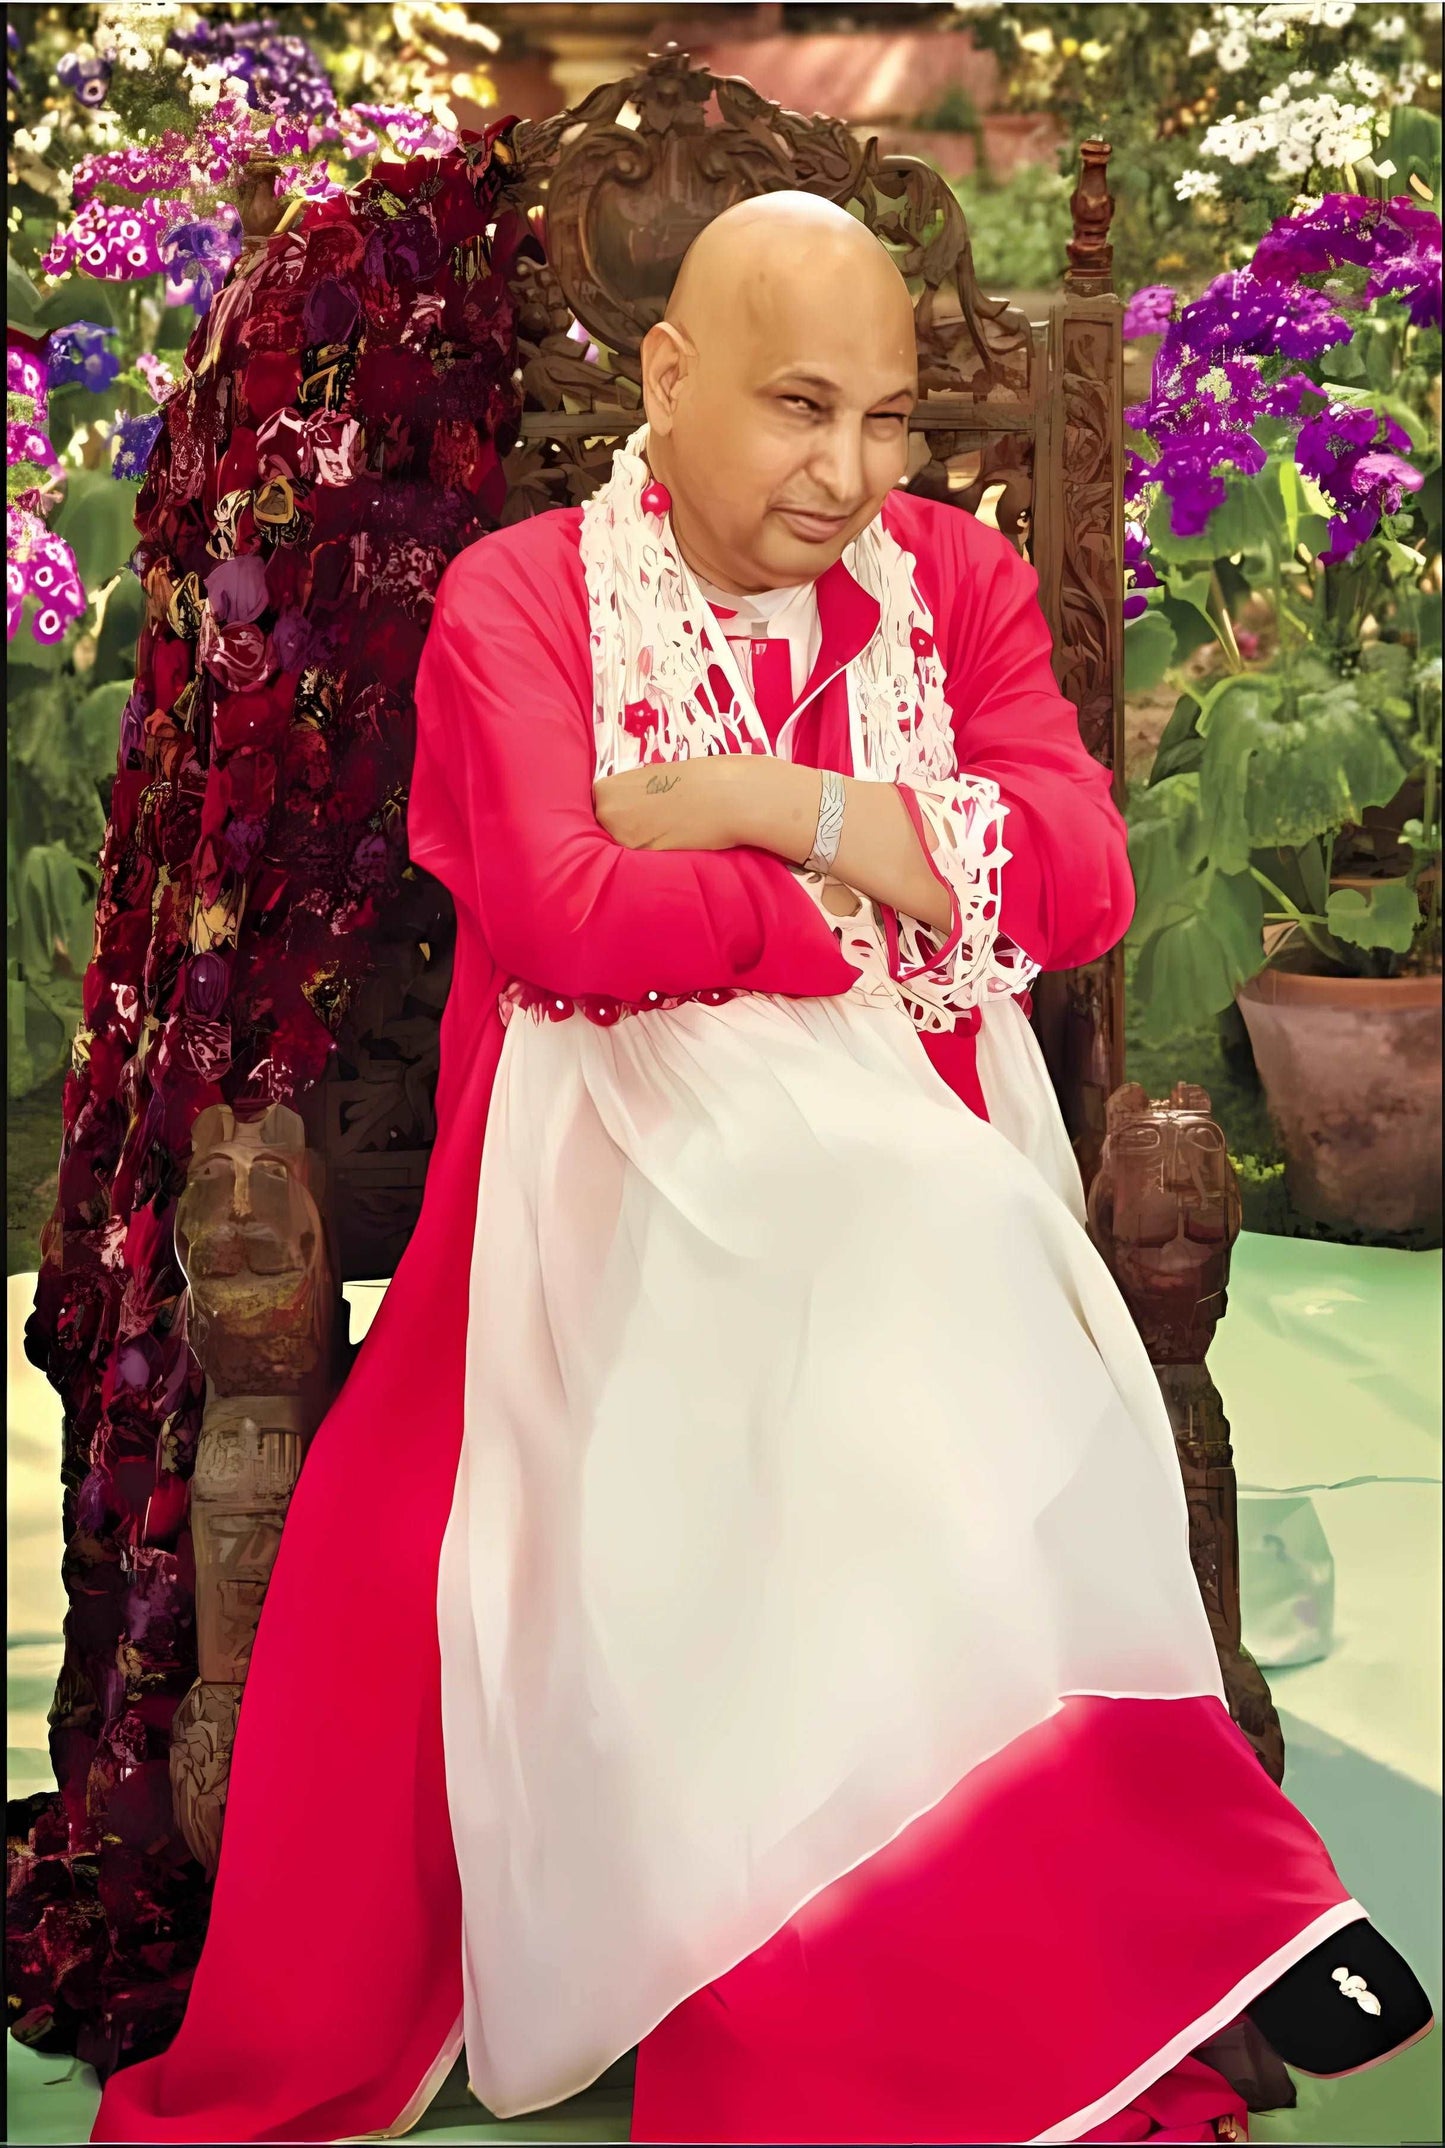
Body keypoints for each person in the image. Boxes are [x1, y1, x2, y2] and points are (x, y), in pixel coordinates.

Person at [90, 192, 1432, 2147]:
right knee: (862, 1306)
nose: (849, 471)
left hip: (924, 1131)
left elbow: (1076, 878)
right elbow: (557, 917)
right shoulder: (525, 598)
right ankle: (1162, 1910)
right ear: (669, 376)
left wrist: (756, 808)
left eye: (887, 418)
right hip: (598, 1153)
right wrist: (867, 895)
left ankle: (1204, 1893)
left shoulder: (956, 583)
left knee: (911, 1265)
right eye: (801, 407)